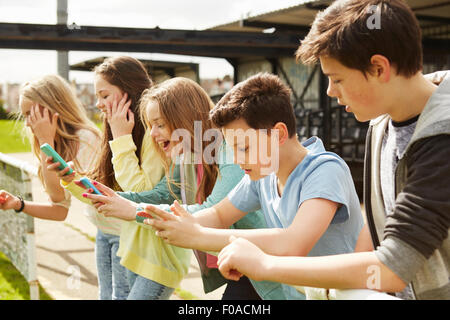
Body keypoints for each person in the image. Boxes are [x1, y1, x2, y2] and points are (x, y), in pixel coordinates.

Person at [217, 0, 450, 300]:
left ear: (379, 68)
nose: (329, 91)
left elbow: (392, 268)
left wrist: (266, 265)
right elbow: (377, 228)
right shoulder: (380, 124)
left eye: (337, 78)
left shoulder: (442, 138)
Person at [117, 72, 365, 300]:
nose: (236, 159)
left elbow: (293, 242)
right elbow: (218, 213)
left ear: (278, 134)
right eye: (231, 148)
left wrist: (200, 235)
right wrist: (168, 220)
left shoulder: (325, 170)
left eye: (243, 147)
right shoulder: (263, 177)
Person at [81, 77, 286, 300]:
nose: (153, 134)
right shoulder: (189, 156)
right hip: (242, 265)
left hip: (268, 265)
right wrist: (110, 197)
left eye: (160, 124)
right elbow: (163, 195)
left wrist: (133, 210)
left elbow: (214, 210)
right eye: (151, 126)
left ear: (185, 118)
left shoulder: (230, 151)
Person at [56, 56, 165, 300]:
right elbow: (104, 194)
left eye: (104, 96)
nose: (99, 104)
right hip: (115, 234)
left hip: (146, 246)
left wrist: (120, 138)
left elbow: (140, 192)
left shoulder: (153, 133)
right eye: (97, 97)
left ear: (130, 90)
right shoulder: (115, 129)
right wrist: (70, 179)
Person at [0, 74, 100, 222]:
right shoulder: (51, 144)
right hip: (102, 231)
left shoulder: (87, 139)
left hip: (121, 232)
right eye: (24, 115)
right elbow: (59, 209)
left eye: (30, 114)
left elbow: (95, 198)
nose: (27, 123)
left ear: (53, 109)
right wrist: (17, 204)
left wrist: (45, 140)